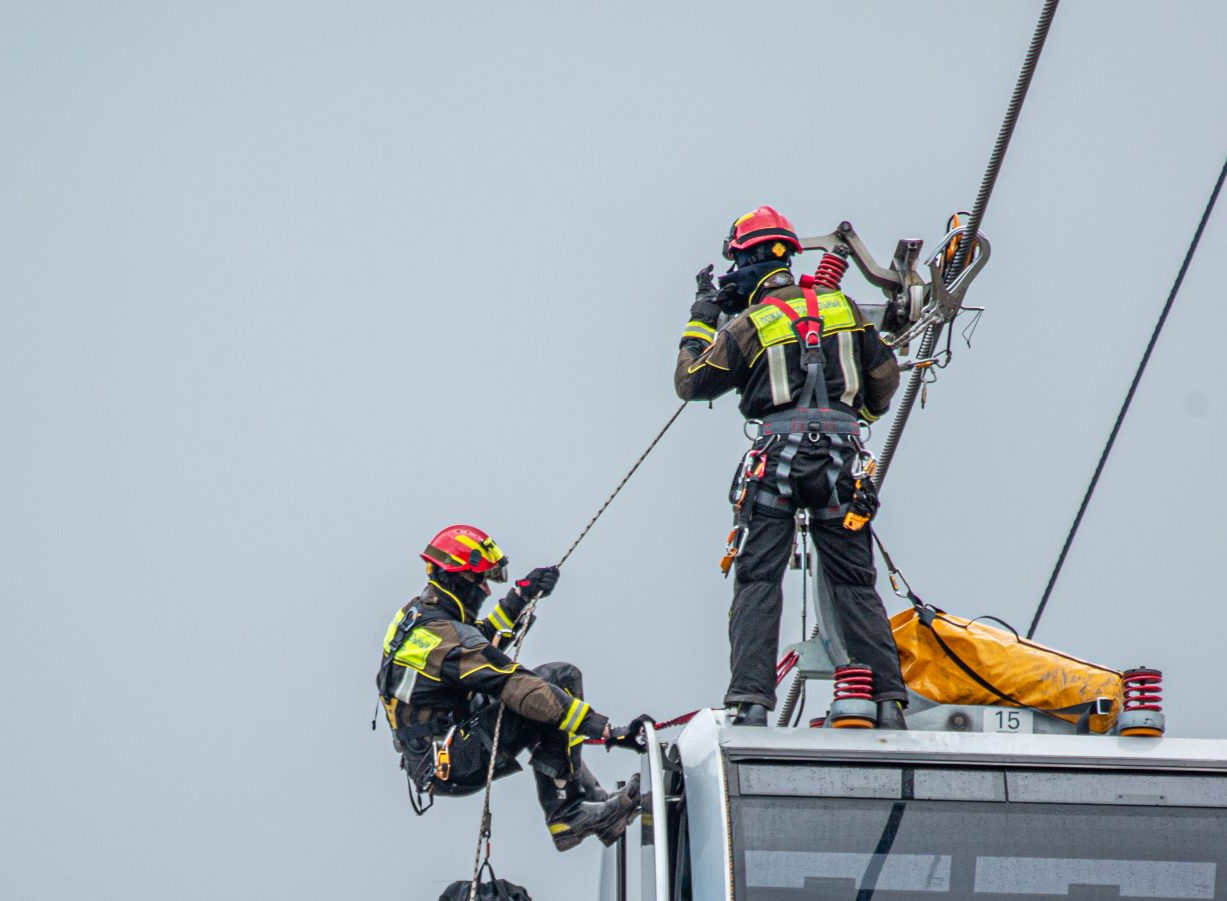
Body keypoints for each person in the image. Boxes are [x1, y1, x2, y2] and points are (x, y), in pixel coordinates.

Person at [675, 205, 908, 728]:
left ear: (751, 258)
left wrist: (701, 317)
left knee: (758, 579)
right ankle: (889, 703)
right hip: (842, 465)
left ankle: (751, 704)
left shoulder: (751, 323)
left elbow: (690, 383)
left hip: (776, 462)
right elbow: (885, 380)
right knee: (853, 583)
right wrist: (855, 416)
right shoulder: (844, 309)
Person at [377, 524, 647, 850]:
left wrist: (520, 597)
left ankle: (596, 804)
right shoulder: (443, 637)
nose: (486, 590)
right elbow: (512, 682)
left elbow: (477, 646)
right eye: (480, 580)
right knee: (552, 685)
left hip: (434, 752)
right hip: (452, 761)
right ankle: (567, 814)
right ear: (455, 577)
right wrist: (608, 731)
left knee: (553, 687)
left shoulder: (419, 614)